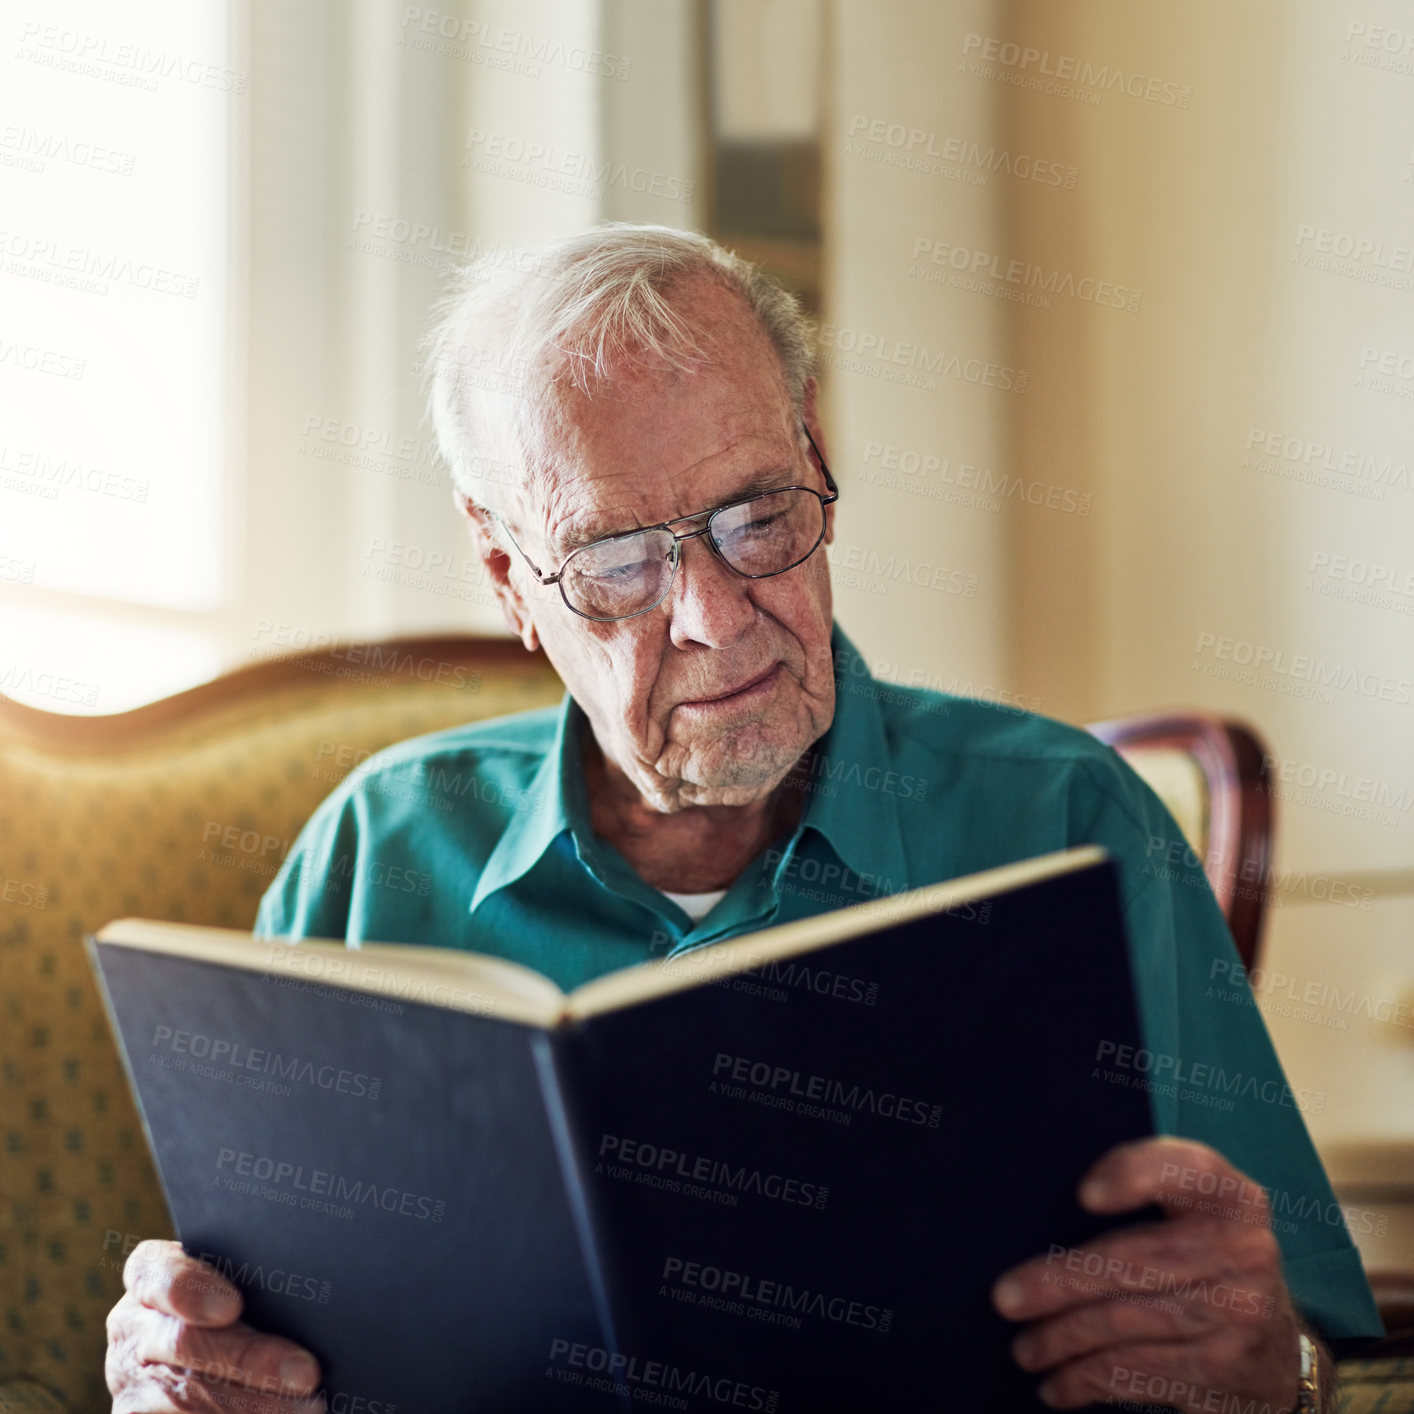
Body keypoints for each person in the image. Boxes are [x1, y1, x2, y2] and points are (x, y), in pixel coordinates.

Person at [105, 225, 1377, 1412]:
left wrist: (1279, 1365)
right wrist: (184, 1361)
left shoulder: (1065, 818)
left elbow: (1310, 1344)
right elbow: (234, 1328)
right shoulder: (376, 851)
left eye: (761, 516)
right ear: (510, 577)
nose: (717, 619)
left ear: (817, 453)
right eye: (616, 560)